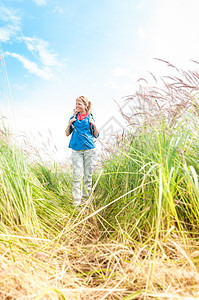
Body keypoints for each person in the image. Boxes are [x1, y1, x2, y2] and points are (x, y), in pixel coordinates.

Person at [65, 96, 99, 206]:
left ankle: (86, 203)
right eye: (76, 104)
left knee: (88, 176)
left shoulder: (90, 117)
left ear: (85, 105)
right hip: (76, 150)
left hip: (89, 149)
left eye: (79, 104)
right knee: (77, 176)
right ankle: (76, 203)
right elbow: (66, 134)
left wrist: (93, 124)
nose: (77, 106)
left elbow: (96, 135)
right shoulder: (73, 117)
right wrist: (70, 123)